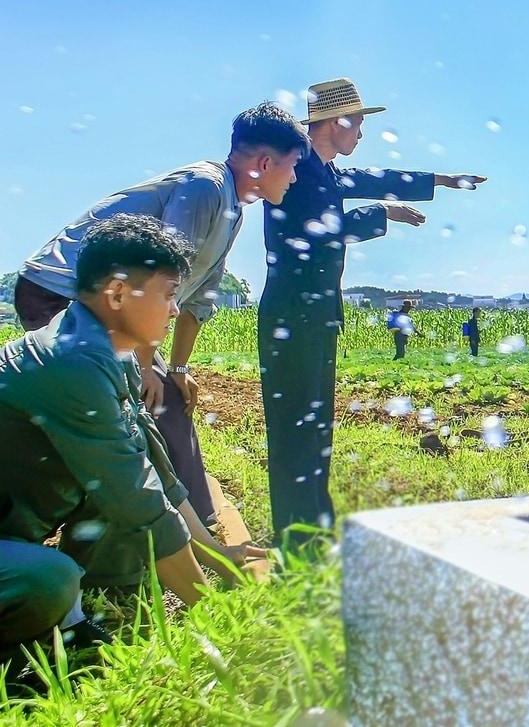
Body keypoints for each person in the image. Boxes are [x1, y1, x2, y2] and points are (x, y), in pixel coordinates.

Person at [17, 102, 307, 528]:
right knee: (128, 406)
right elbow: (155, 279)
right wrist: (146, 366)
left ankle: (189, 519)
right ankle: (156, 524)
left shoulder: (231, 208)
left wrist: (177, 367)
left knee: (167, 399)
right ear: (266, 163)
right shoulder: (205, 187)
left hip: (117, 306)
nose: (296, 177)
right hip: (61, 293)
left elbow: (196, 298)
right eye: (293, 165)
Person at [0, 217, 263, 663]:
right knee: (49, 579)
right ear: (119, 293)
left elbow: (152, 472)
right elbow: (138, 502)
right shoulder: (72, 364)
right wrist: (219, 618)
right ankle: (47, 634)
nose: (176, 309)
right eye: (167, 293)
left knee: (118, 494)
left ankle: (86, 609)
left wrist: (219, 556)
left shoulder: (106, 350)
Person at [259, 77, 487, 538]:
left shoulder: (322, 168)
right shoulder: (298, 169)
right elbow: (319, 231)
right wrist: (380, 213)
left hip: (313, 318)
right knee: (296, 434)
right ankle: (297, 536)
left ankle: (313, 530)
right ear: (336, 121)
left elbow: (372, 177)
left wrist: (439, 180)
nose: (361, 133)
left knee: (315, 430)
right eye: (358, 123)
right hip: (293, 321)